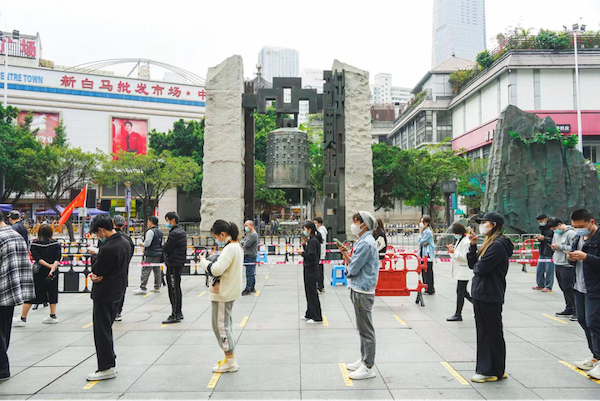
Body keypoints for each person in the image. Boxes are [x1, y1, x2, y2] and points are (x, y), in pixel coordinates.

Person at [467, 212, 513, 383]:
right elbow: (473, 264)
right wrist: (473, 246)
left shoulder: (498, 245)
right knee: (487, 331)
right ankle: (496, 369)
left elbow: (480, 269)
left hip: (489, 293)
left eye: (484, 222)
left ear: (493, 224)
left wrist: (478, 265)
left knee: (489, 332)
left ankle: (490, 370)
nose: (482, 225)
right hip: (483, 292)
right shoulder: (489, 243)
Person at [87, 215, 132, 381]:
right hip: (118, 290)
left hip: (105, 293)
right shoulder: (125, 241)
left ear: (101, 230)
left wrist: (96, 266)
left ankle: (106, 367)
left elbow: (98, 269)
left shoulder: (108, 247)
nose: (97, 236)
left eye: (96, 233)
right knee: (106, 328)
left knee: (102, 331)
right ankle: (109, 361)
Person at [338, 211, 380, 380]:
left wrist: (347, 270)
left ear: (364, 225)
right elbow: (355, 264)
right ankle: (364, 359)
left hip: (363, 289)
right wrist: (346, 254)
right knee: (362, 327)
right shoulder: (363, 241)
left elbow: (354, 268)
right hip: (359, 287)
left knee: (365, 329)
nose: (353, 225)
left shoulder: (366, 243)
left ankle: (368, 366)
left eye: (356, 222)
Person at [198, 220, 243, 373]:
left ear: (222, 234)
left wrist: (203, 262)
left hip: (223, 292)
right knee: (224, 325)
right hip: (227, 291)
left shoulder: (230, 248)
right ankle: (229, 358)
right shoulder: (235, 246)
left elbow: (216, 270)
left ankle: (230, 361)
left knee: (221, 327)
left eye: (216, 237)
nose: (216, 240)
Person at [0, 212, 34, 381]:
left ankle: (2, 368)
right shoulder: (15, 234)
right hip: (13, 288)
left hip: (2, 288)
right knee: (4, 329)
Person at [567, 208, 600, 379]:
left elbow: (591, 260)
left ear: (591, 222)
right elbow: (575, 261)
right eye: (575, 226)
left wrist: (586, 257)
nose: (578, 229)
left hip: (595, 287)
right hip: (579, 286)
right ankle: (595, 356)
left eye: (581, 226)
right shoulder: (577, 237)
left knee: (595, 322)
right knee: (583, 320)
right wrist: (571, 258)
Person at [13, 224, 61, 327]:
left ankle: (23, 318)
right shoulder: (56, 243)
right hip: (53, 272)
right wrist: (52, 268)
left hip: (39, 271)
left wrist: (48, 266)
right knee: (52, 292)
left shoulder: (35, 243)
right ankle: (52, 316)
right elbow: (58, 258)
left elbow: (37, 258)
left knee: (33, 293)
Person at [548, 217, 577, 318]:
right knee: (563, 287)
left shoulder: (571, 233)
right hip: (558, 262)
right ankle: (569, 307)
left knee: (569, 287)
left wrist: (560, 246)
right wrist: (554, 246)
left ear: (559, 225)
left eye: (554, 229)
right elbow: (555, 244)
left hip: (567, 265)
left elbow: (573, 248)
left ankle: (577, 310)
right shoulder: (556, 234)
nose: (554, 231)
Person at [162, 212, 187, 324]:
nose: (167, 223)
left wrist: (164, 247)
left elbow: (167, 247)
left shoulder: (175, 233)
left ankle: (175, 314)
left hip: (174, 264)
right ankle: (178, 312)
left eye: (167, 220)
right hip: (177, 263)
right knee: (176, 288)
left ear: (173, 220)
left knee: (173, 289)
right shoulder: (180, 231)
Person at [446, 222, 473, 322]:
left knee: (460, 292)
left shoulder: (466, 242)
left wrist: (454, 252)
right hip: (460, 269)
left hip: (464, 269)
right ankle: (478, 305)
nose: (454, 235)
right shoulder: (460, 240)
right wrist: (452, 251)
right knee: (463, 292)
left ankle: (458, 314)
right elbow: (456, 255)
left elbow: (466, 257)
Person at [300, 221, 323, 324]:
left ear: (310, 230)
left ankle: (317, 316)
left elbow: (312, 257)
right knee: (308, 292)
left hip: (312, 269)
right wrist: (304, 245)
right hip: (308, 268)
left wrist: (302, 253)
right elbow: (309, 253)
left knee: (312, 293)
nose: (304, 231)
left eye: (305, 229)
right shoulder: (311, 240)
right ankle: (309, 313)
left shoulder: (313, 241)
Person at [112, 215, 134, 322]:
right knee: (121, 290)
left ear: (113, 223)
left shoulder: (109, 237)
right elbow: (131, 252)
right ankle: (118, 311)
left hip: (111, 270)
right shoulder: (127, 238)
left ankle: (112, 311)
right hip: (124, 269)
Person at [133, 217, 163, 295]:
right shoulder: (160, 231)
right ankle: (157, 286)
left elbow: (147, 243)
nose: (147, 223)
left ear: (151, 222)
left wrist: (142, 244)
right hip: (158, 253)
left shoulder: (150, 232)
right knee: (157, 270)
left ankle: (142, 287)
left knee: (145, 269)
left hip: (151, 253)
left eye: (148, 221)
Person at [533, 213, 555, 292]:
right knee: (539, 269)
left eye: (541, 221)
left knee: (549, 270)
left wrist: (544, 238)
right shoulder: (542, 228)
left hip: (549, 251)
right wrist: (539, 238)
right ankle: (540, 284)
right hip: (542, 250)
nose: (540, 223)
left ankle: (548, 286)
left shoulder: (552, 227)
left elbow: (554, 240)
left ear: (545, 219)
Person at [418, 216, 436, 295]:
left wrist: (420, 234)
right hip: (423, 254)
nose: (421, 224)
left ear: (426, 223)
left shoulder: (428, 232)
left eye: (422, 222)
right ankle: (426, 288)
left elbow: (421, 241)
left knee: (428, 272)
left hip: (427, 255)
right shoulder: (424, 231)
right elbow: (421, 242)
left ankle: (430, 289)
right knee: (424, 272)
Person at [241, 220, 259, 295]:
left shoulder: (253, 234)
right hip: (247, 255)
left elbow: (246, 244)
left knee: (249, 273)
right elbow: (243, 241)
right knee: (251, 272)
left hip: (251, 255)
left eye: (246, 225)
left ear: (251, 226)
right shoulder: (249, 234)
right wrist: (243, 243)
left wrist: (243, 244)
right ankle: (252, 287)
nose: (245, 227)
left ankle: (248, 289)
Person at [314, 217, 328, 294]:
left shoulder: (321, 231)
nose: (315, 224)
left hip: (320, 254)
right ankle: (320, 286)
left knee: (319, 271)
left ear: (319, 223)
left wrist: (318, 253)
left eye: (315, 223)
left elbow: (321, 244)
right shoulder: (320, 231)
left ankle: (320, 287)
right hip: (320, 254)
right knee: (319, 270)